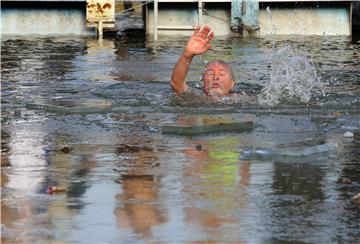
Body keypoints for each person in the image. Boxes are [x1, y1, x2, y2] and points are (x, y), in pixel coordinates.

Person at [171, 26, 236, 97]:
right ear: (202, 82)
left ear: (232, 83)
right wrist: (187, 56)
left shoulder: (243, 101)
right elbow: (176, 84)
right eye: (210, 73)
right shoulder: (196, 98)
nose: (215, 77)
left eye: (222, 74)